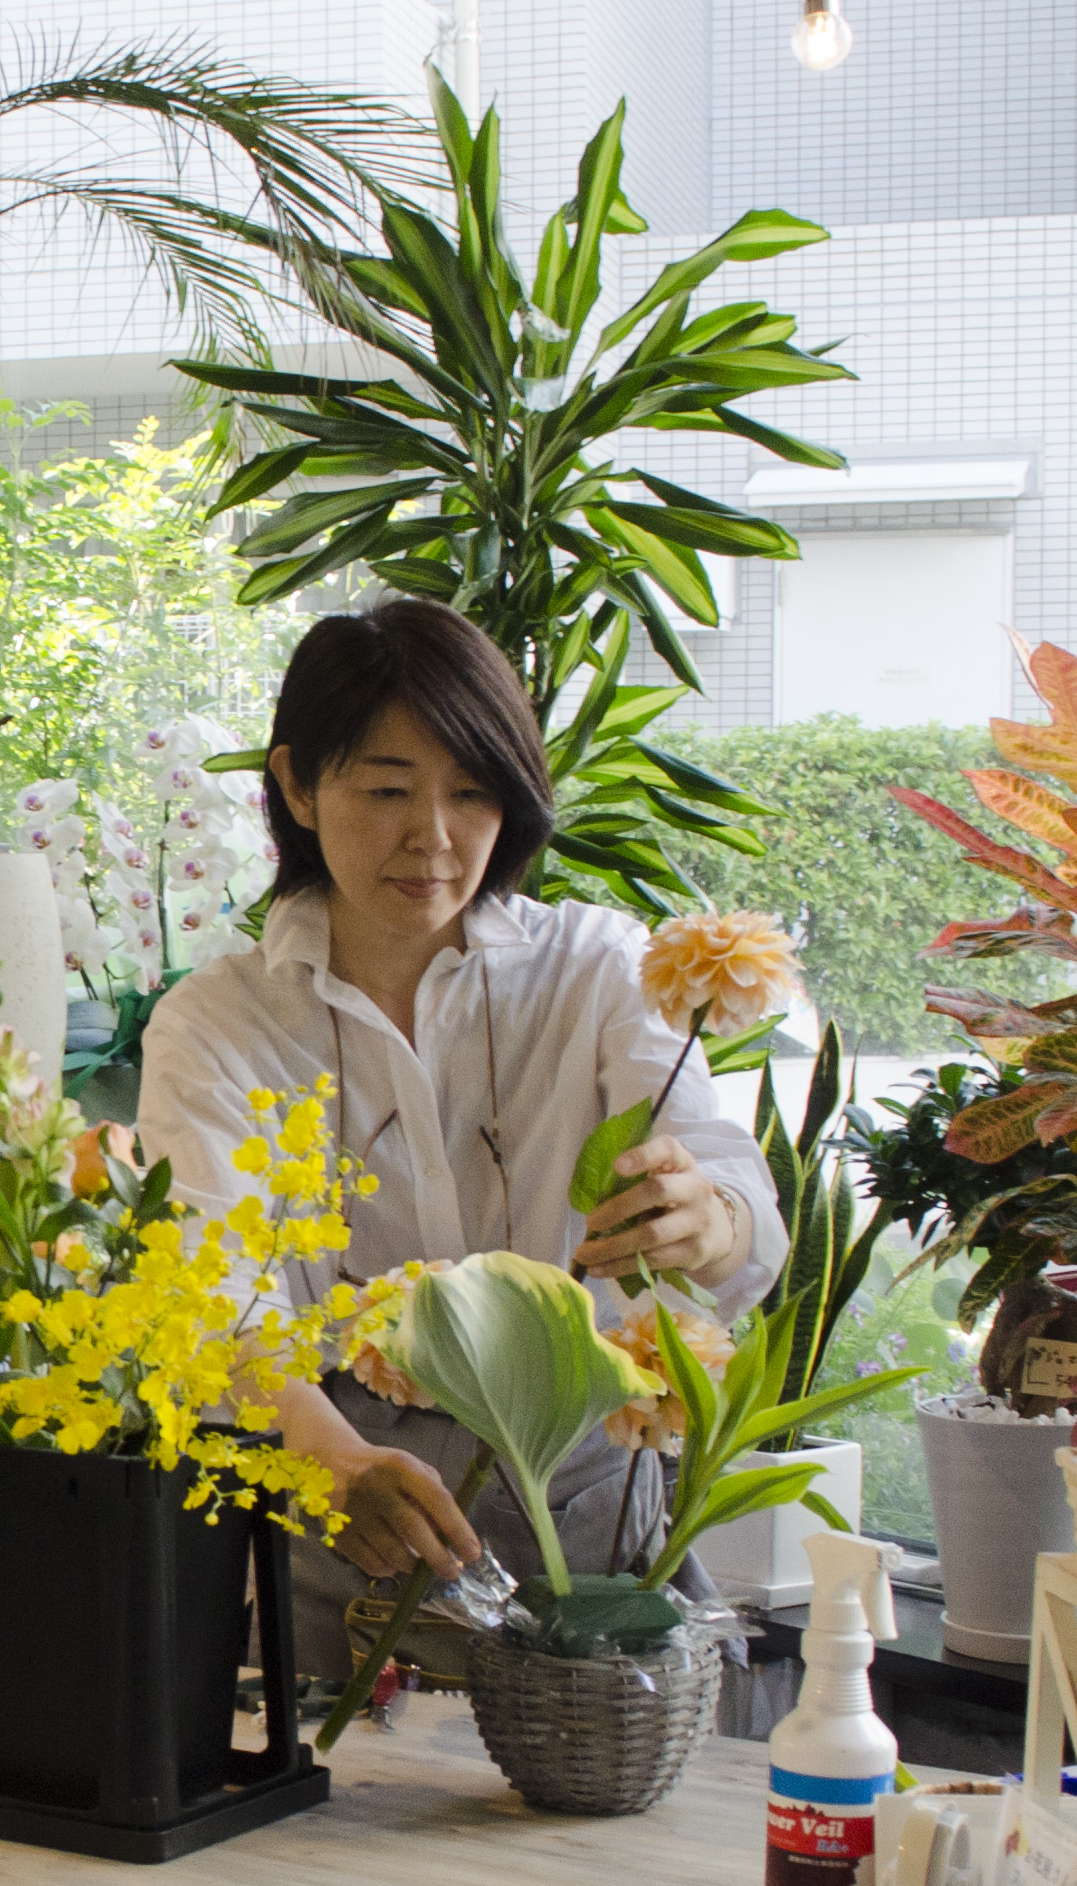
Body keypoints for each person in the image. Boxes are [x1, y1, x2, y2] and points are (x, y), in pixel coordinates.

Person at [136, 600, 785, 1686]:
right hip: (345, 1503)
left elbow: (727, 1192)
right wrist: (331, 1463)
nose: (431, 836)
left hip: (581, 1502)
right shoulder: (217, 1022)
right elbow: (211, 1299)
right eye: (386, 789)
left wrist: (705, 1221)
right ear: (297, 786)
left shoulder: (596, 966)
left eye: (471, 792)